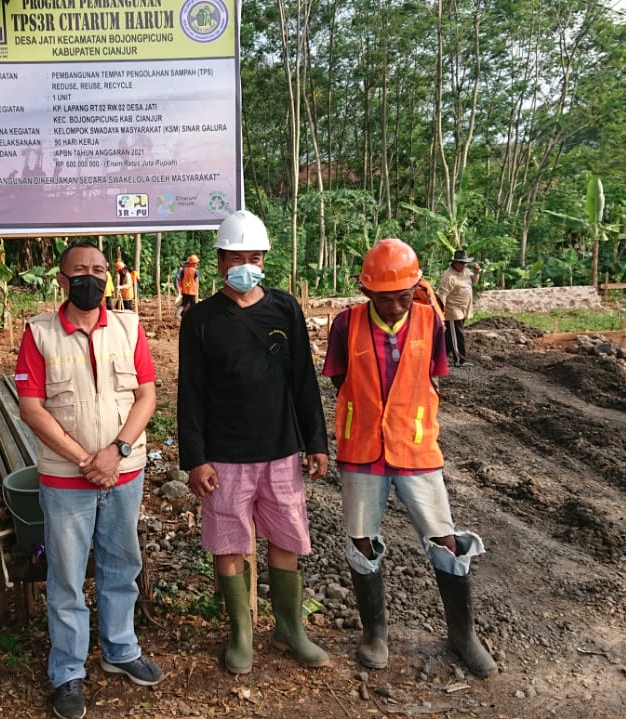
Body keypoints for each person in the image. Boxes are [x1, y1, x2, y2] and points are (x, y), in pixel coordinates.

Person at [321, 238, 497, 678]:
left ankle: (462, 634)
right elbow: (340, 379)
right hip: (361, 447)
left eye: (404, 294)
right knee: (362, 538)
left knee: (444, 537)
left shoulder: (429, 322)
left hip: (416, 448)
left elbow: (434, 378)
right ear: (367, 293)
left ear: (416, 288)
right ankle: (374, 632)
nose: (397, 305)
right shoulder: (345, 325)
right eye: (386, 297)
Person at [178, 209, 330, 674]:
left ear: (265, 258)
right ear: (220, 261)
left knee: (286, 537)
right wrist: (195, 458)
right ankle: (240, 635)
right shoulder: (200, 319)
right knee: (228, 544)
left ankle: (289, 629)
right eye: (236, 256)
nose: (246, 264)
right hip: (225, 457)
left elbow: (303, 379)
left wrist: (316, 441)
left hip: (281, 449)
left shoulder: (285, 309)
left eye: (254, 256)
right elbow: (191, 393)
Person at [15, 243, 163, 719]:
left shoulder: (129, 325)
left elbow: (147, 396)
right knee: (66, 577)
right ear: (62, 279)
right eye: (80, 270)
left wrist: (115, 452)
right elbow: (32, 408)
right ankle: (68, 672)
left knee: (122, 564)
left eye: (99, 270)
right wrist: (86, 460)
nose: (92, 278)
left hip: (124, 472)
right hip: (66, 479)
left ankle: (121, 650)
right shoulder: (39, 334)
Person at [436, 248, 479, 366]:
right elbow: (443, 294)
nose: (464, 265)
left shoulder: (465, 272)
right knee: (457, 334)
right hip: (452, 309)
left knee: (450, 336)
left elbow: (473, 281)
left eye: (465, 263)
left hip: (463, 308)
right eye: (461, 263)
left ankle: (439, 357)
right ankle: (460, 360)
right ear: (455, 263)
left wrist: (476, 273)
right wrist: (441, 311)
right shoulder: (449, 276)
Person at [174, 254, 199, 318]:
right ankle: (193, 317)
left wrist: (179, 290)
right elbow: (196, 282)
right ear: (193, 264)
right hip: (192, 292)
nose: (196, 265)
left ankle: (177, 314)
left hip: (185, 291)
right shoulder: (196, 271)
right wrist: (196, 292)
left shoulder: (184, 270)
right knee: (193, 305)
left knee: (184, 304)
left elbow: (180, 279)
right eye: (196, 263)